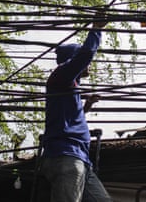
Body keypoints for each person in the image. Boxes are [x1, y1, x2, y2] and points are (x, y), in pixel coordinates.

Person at [39, 16, 112, 202]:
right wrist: (96, 28)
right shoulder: (61, 76)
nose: (89, 65)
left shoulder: (70, 86)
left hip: (81, 159)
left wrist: (86, 106)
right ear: (72, 60)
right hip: (66, 156)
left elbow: (68, 118)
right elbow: (86, 54)